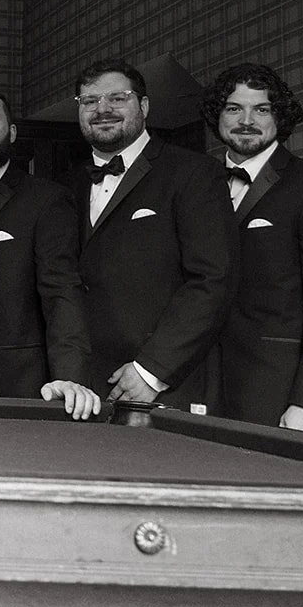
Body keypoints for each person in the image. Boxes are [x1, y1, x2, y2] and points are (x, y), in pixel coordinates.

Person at [202, 64, 303, 430]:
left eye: (262, 109)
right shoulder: (194, 182)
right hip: (197, 384)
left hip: (278, 391)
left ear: (279, 117)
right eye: (233, 108)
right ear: (218, 116)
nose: (246, 120)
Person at [73, 60, 235, 409]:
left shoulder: (194, 172)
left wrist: (151, 371)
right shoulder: (66, 186)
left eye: (118, 98)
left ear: (144, 106)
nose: (102, 110)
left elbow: (212, 279)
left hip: (163, 386)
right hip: (85, 390)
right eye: (89, 101)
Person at [0, 84, 99, 419]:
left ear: (11, 132)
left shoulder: (46, 199)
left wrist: (70, 378)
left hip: (17, 380)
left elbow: (61, 292)